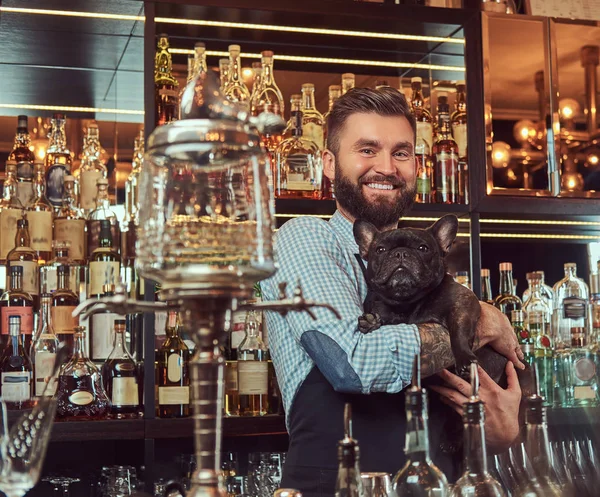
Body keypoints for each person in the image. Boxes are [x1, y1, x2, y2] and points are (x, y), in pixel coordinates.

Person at [261, 87, 524, 497]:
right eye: (367, 150)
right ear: (329, 164)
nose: (386, 167)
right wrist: (477, 322)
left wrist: (501, 431)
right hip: (341, 487)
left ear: (415, 165)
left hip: (442, 484)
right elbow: (354, 363)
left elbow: (487, 407)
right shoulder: (305, 238)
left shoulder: (428, 263)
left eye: (401, 153)